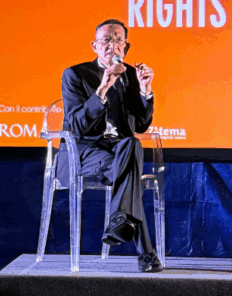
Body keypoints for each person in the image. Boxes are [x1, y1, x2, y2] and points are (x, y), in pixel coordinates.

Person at [60, 19, 162, 272]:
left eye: (118, 41)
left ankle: (119, 219)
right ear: (94, 46)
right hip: (83, 151)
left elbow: (141, 125)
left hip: (119, 151)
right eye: (106, 40)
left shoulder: (131, 76)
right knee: (130, 174)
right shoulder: (75, 74)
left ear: (125, 47)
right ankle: (146, 254)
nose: (112, 45)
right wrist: (103, 88)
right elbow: (76, 127)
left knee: (132, 144)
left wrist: (145, 90)